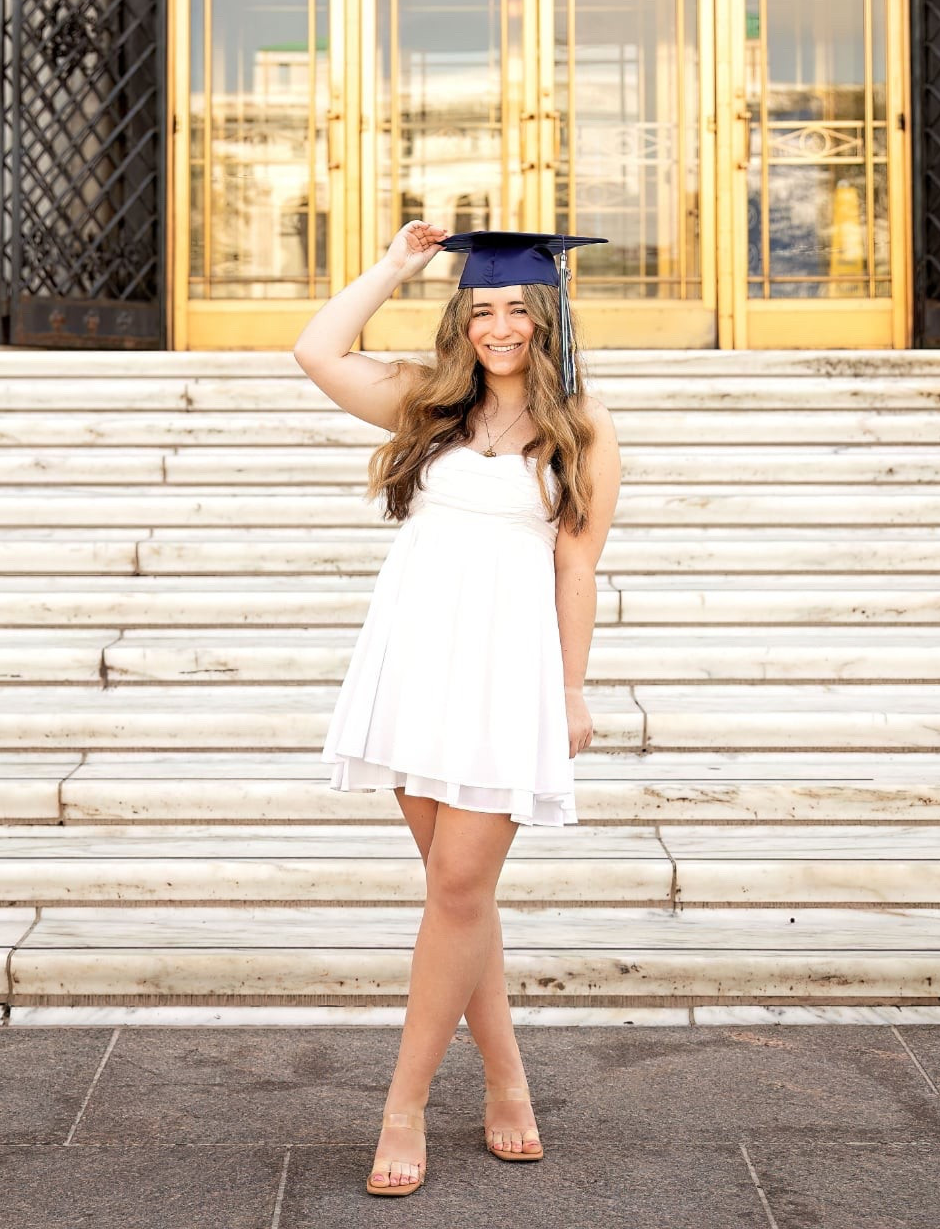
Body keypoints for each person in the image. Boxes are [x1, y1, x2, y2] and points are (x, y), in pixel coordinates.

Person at [293, 220, 622, 1198]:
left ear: (548, 316)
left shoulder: (586, 425)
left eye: (518, 307)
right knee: (457, 892)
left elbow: (576, 565)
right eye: (481, 308)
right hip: (416, 661)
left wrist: (569, 689)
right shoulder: (423, 400)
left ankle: (403, 1105)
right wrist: (396, 264)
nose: (500, 325)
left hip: (504, 674)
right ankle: (509, 1081)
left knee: (458, 888)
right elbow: (315, 350)